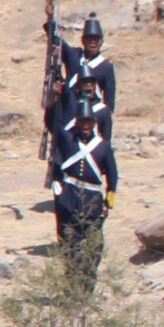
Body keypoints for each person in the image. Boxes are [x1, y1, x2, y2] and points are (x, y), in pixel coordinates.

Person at [47, 81, 117, 252]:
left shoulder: (103, 146)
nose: (85, 125)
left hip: (93, 198)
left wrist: (108, 204)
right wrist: (55, 98)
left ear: (94, 124)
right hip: (70, 195)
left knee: (94, 244)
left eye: (89, 122)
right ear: (76, 123)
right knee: (70, 242)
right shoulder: (68, 140)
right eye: (82, 122)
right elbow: (53, 122)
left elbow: (113, 177)